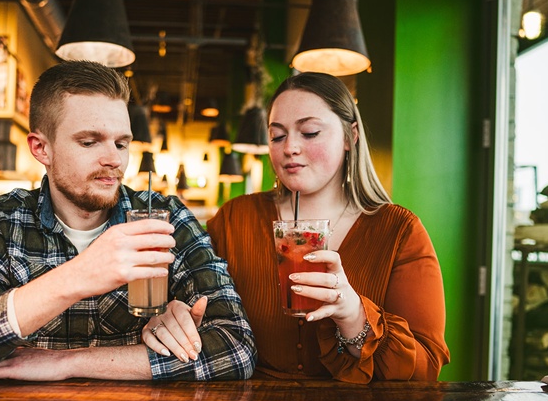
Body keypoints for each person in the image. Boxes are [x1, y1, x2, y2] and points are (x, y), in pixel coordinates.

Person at [0, 60, 255, 383]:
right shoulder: (7, 221)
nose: (114, 160)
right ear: (41, 148)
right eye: (89, 142)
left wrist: (66, 362)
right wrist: (77, 277)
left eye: (121, 144)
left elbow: (236, 348)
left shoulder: (165, 218)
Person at [153, 71, 449, 382]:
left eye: (309, 132)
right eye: (277, 136)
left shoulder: (400, 231)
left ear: (350, 137)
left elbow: (427, 369)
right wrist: (173, 317)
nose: (290, 147)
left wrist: (354, 316)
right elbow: (189, 309)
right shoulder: (234, 219)